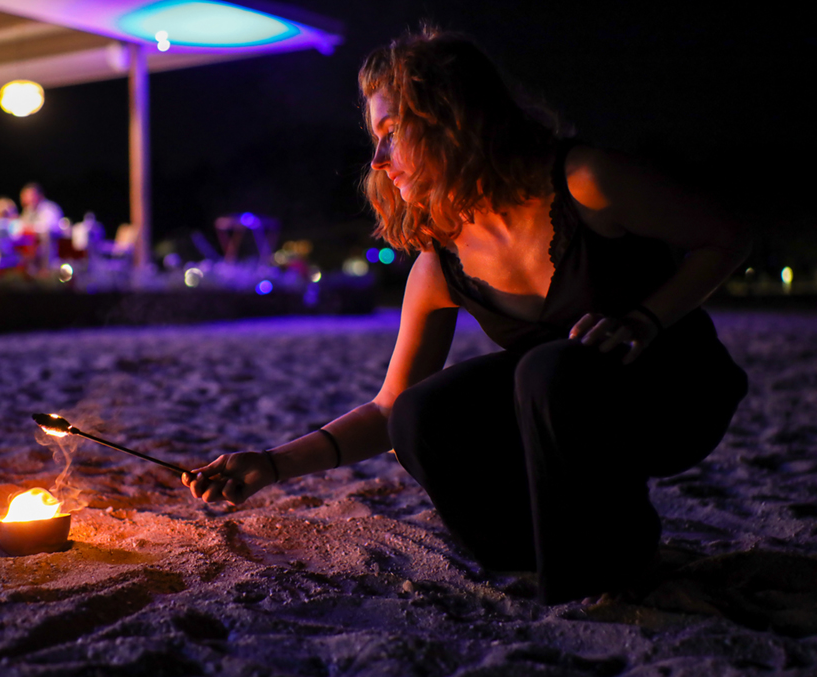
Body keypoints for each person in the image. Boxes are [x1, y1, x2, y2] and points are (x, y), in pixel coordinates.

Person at [181, 28, 750, 605]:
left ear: (448, 119)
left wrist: (644, 320)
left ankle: (605, 566)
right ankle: (539, 554)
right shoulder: (440, 263)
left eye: (391, 133)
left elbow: (726, 237)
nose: (378, 159)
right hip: (555, 422)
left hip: (673, 395)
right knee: (421, 413)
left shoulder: (585, 182)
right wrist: (272, 464)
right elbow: (387, 408)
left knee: (546, 370)